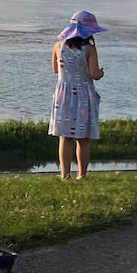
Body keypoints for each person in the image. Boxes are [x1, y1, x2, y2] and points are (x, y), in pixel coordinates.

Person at [50, 10, 106, 179]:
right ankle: (82, 175)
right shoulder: (89, 49)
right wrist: (101, 73)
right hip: (83, 96)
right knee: (83, 138)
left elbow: (54, 69)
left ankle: (64, 174)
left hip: (64, 95)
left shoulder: (58, 46)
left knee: (65, 137)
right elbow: (93, 73)